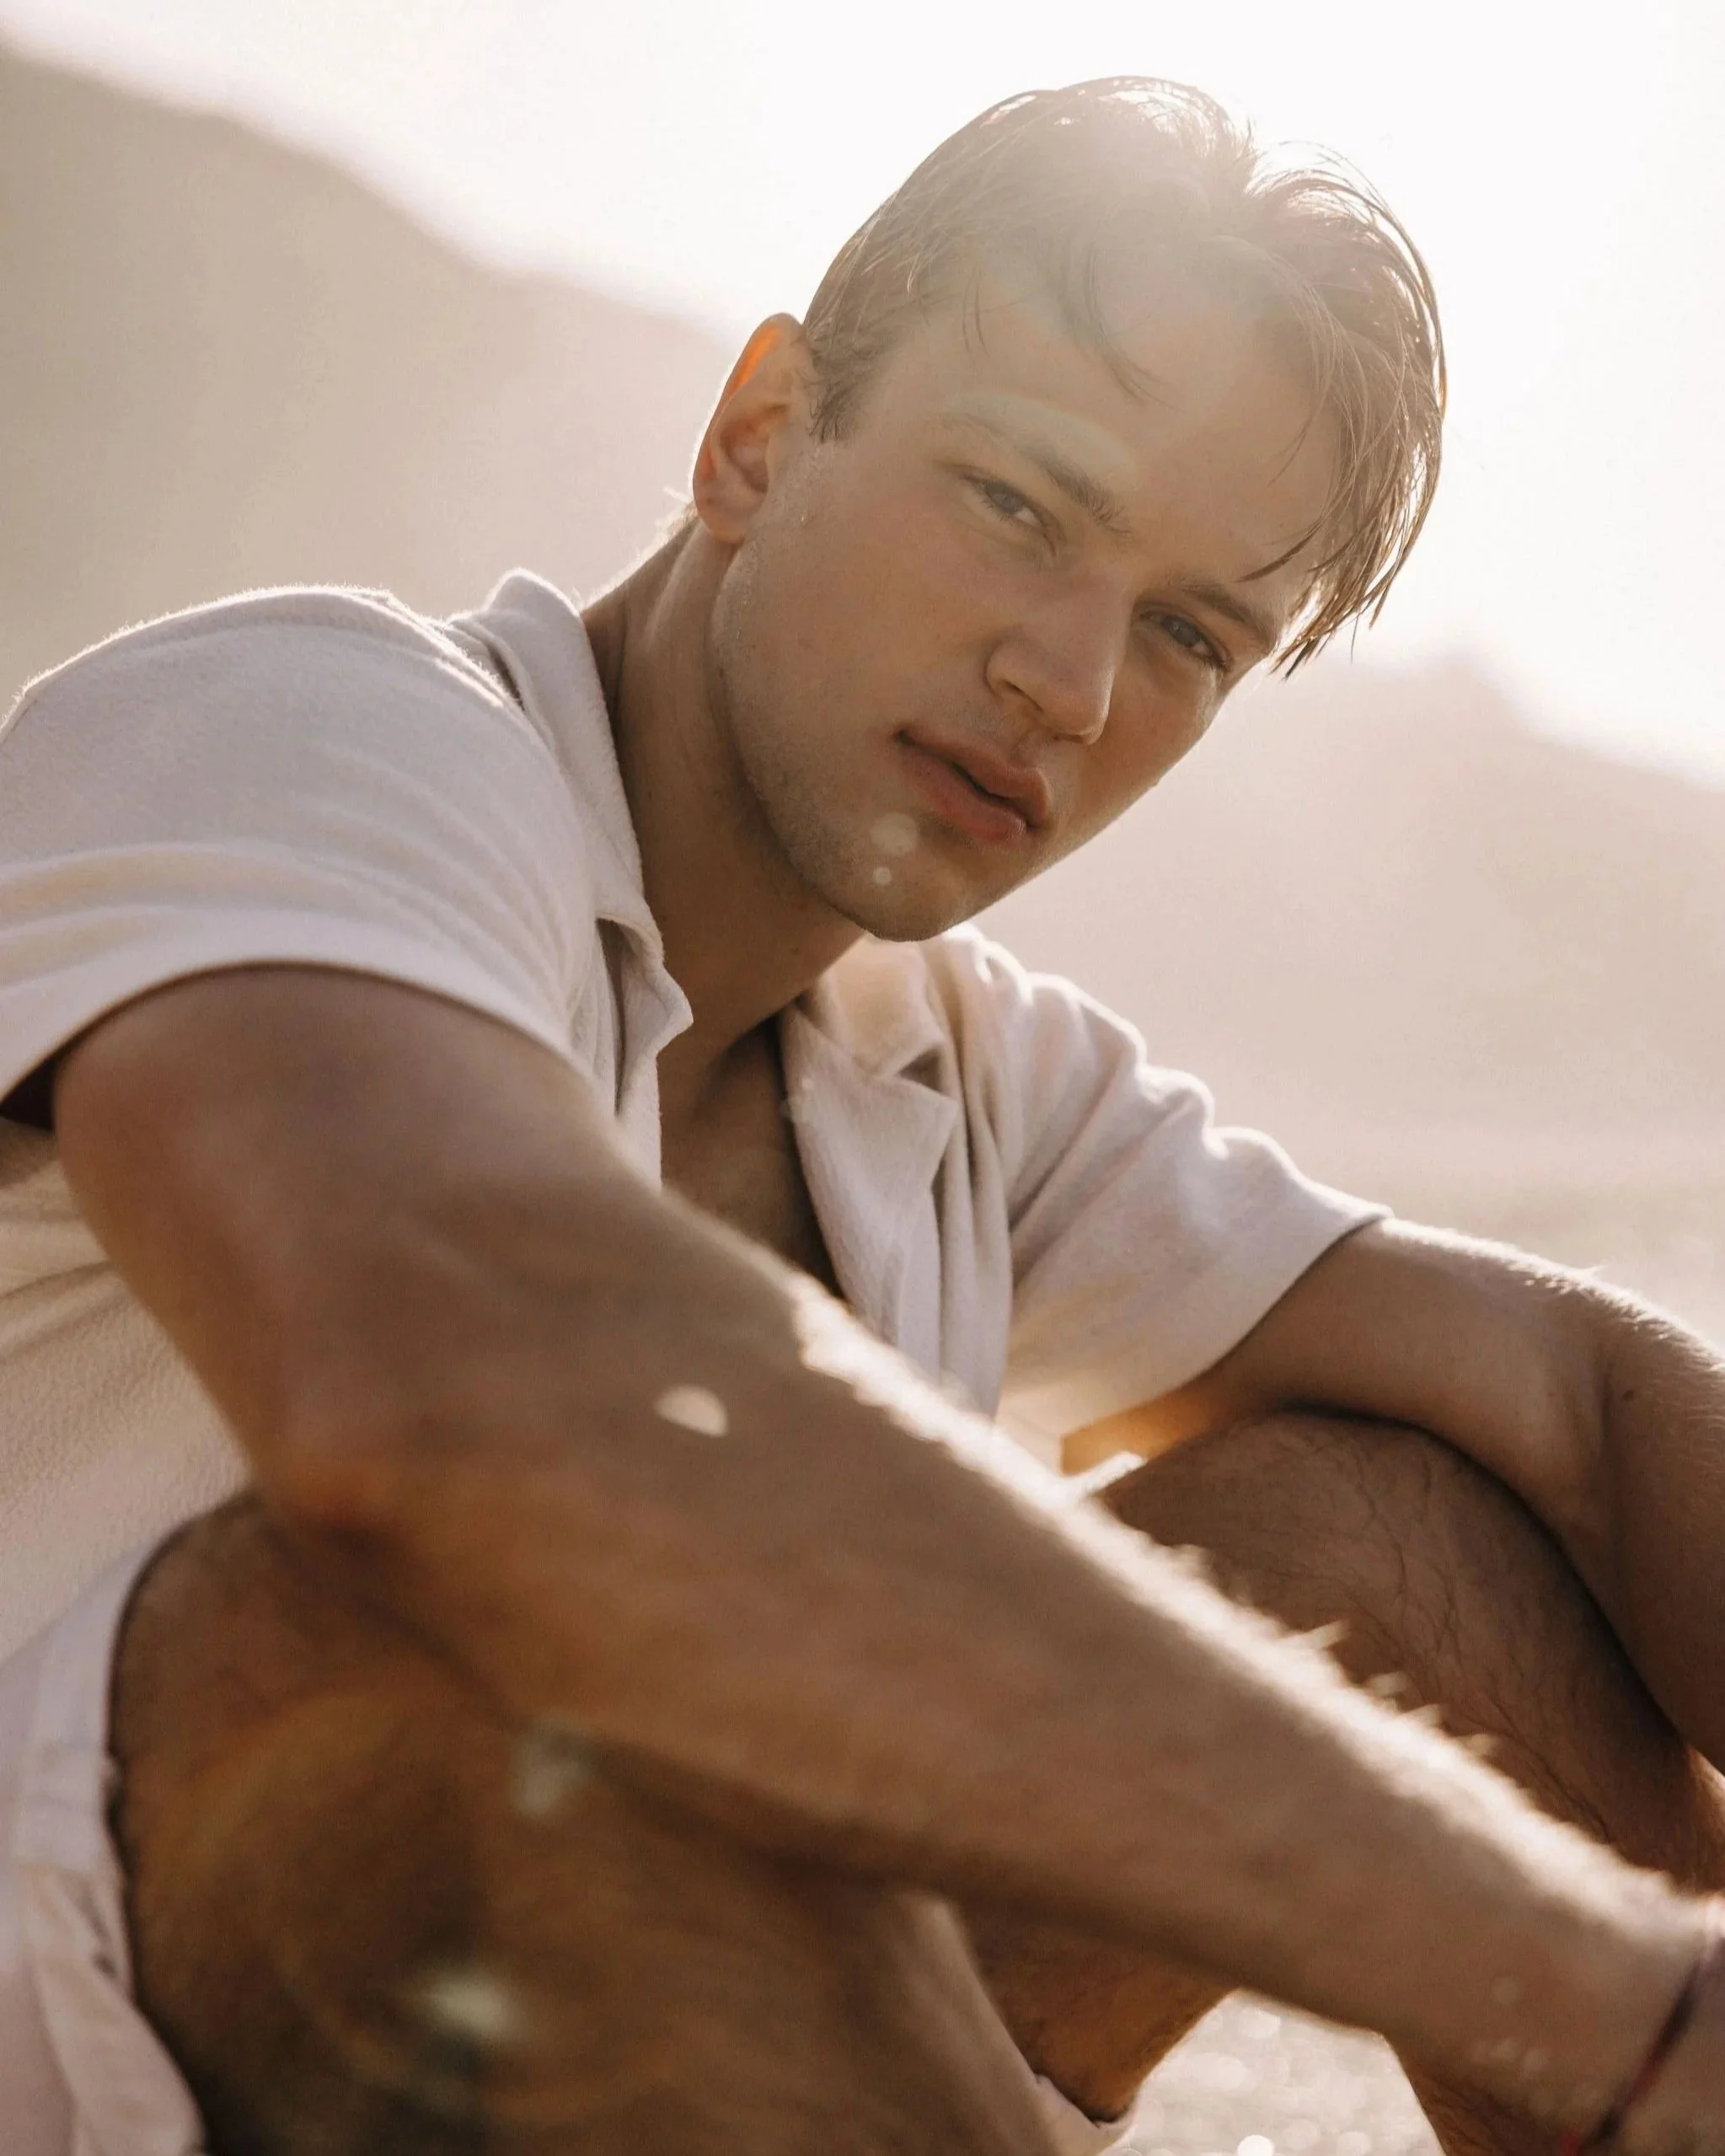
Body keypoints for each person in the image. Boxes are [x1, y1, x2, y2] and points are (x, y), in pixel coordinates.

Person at [2, 74, 1724, 2156]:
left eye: (1191, 631)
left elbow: (1567, 1394)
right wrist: (1591, 1992)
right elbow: (471, 1405)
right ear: (755, 438)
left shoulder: (947, 1067)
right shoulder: (311, 739)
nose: (1076, 683)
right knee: (435, 1651)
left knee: (1394, 1546)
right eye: (1019, 502)